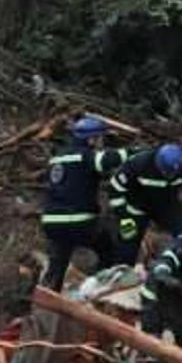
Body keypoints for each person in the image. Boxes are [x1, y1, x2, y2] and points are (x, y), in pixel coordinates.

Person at [39, 116, 128, 291]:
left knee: (57, 263)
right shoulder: (86, 155)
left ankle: (48, 299)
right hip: (79, 221)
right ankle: (97, 290)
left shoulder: (57, 158)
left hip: (52, 222)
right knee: (107, 249)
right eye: (101, 138)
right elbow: (106, 160)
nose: (102, 142)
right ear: (91, 139)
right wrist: (132, 153)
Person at [109, 143, 182, 265]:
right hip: (135, 208)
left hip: (167, 207)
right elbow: (115, 188)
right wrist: (124, 216)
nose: (169, 176)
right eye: (166, 172)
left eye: (173, 174)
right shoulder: (139, 163)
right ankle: (121, 274)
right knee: (127, 244)